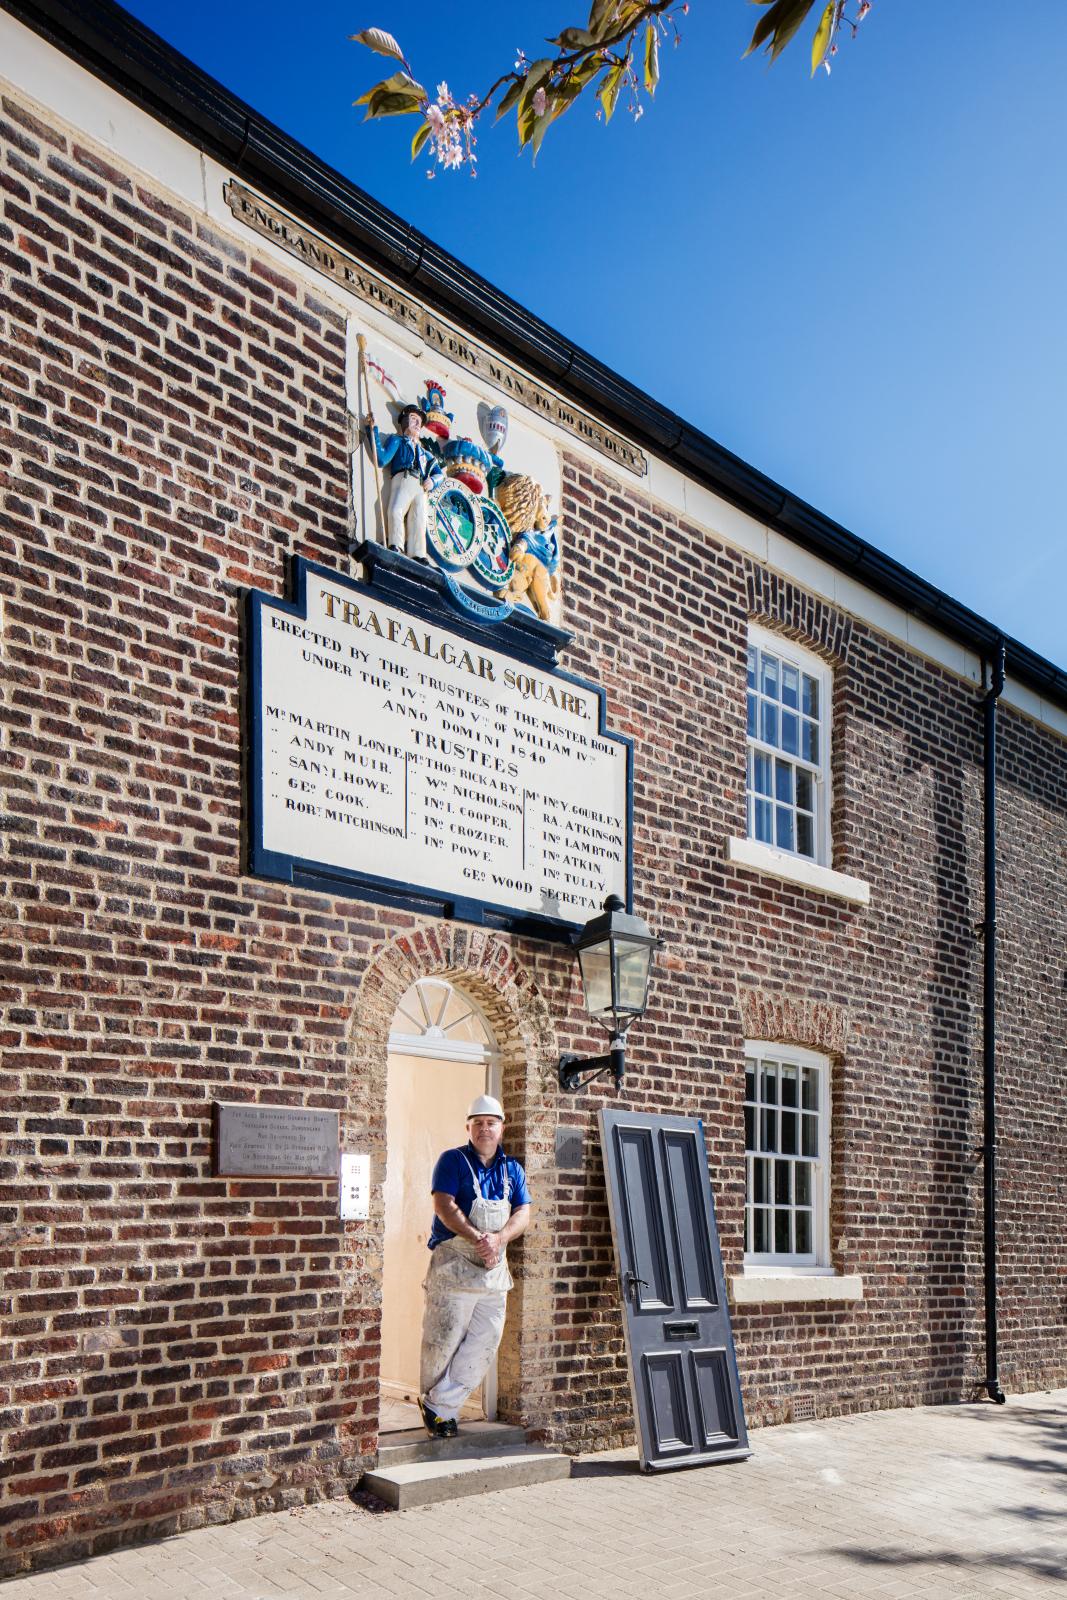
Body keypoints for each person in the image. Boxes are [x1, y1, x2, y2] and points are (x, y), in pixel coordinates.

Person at [418, 1094, 531, 1438]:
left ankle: (440, 1403)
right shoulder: (451, 1161)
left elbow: (523, 1212)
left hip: (494, 1274)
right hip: (454, 1267)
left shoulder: (512, 1169)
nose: (485, 1129)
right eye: (478, 1123)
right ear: (468, 1127)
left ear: (501, 1128)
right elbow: (444, 1205)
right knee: (444, 1339)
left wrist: (498, 1240)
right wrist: (477, 1237)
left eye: (491, 1122)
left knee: (486, 1340)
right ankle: (440, 1412)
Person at [364, 403, 444, 560]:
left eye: (419, 422)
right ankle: (396, 544)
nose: (417, 424)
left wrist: (433, 481)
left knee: (419, 519)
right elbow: (381, 459)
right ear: (405, 422)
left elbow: (439, 474)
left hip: (421, 486)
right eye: (413, 419)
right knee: (395, 510)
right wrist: (372, 430)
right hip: (404, 479)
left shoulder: (425, 453)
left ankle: (418, 553)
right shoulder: (398, 441)